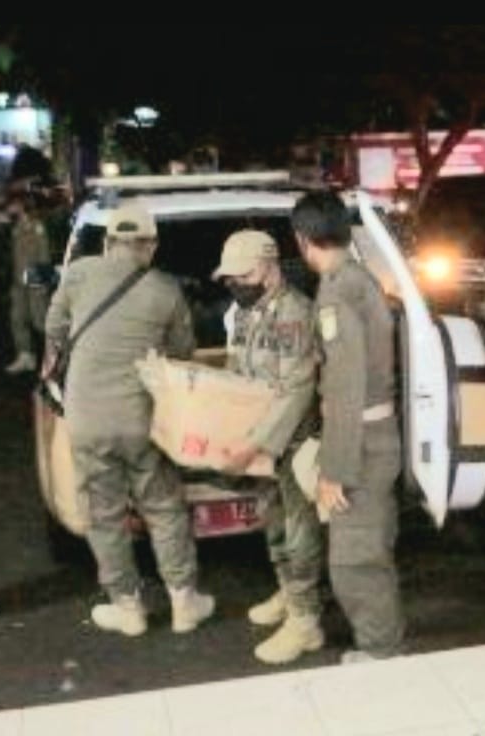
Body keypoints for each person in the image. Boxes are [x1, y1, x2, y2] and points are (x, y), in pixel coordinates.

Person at [43, 202, 214, 637]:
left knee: (104, 514)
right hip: (141, 418)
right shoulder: (165, 289)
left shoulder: (78, 274)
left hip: (87, 418)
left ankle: (128, 608)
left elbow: (54, 328)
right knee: (163, 507)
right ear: (150, 246)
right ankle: (184, 602)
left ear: (108, 243)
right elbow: (182, 352)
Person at [292, 191, 406, 664]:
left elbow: (345, 387)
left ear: (303, 240)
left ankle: (381, 651)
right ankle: (384, 642)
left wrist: (334, 470)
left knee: (354, 561)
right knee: (371, 549)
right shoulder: (359, 278)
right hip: (376, 436)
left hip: (361, 444)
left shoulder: (338, 293)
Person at [213, 229, 324, 665]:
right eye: (230, 278)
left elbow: (297, 388)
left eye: (243, 275)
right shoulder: (245, 311)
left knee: (299, 534)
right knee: (273, 524)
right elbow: (238, 371)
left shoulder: (294, 315)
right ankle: (288, 592)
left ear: (270, 267)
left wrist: (254, 443)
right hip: (260, 445)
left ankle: (306, 620)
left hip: (291, 444)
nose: (235, 284)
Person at [5, 194, 52, 373]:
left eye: (12, 205)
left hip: (35, 279)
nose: (9, 208)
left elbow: (44, 256)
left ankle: (53, 356)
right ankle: (25, 356)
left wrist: (43, 283)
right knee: (17, 319)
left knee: (40, 320)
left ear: (21, 206)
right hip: (19, 280)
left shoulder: (37, 227)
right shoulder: (16, 228)